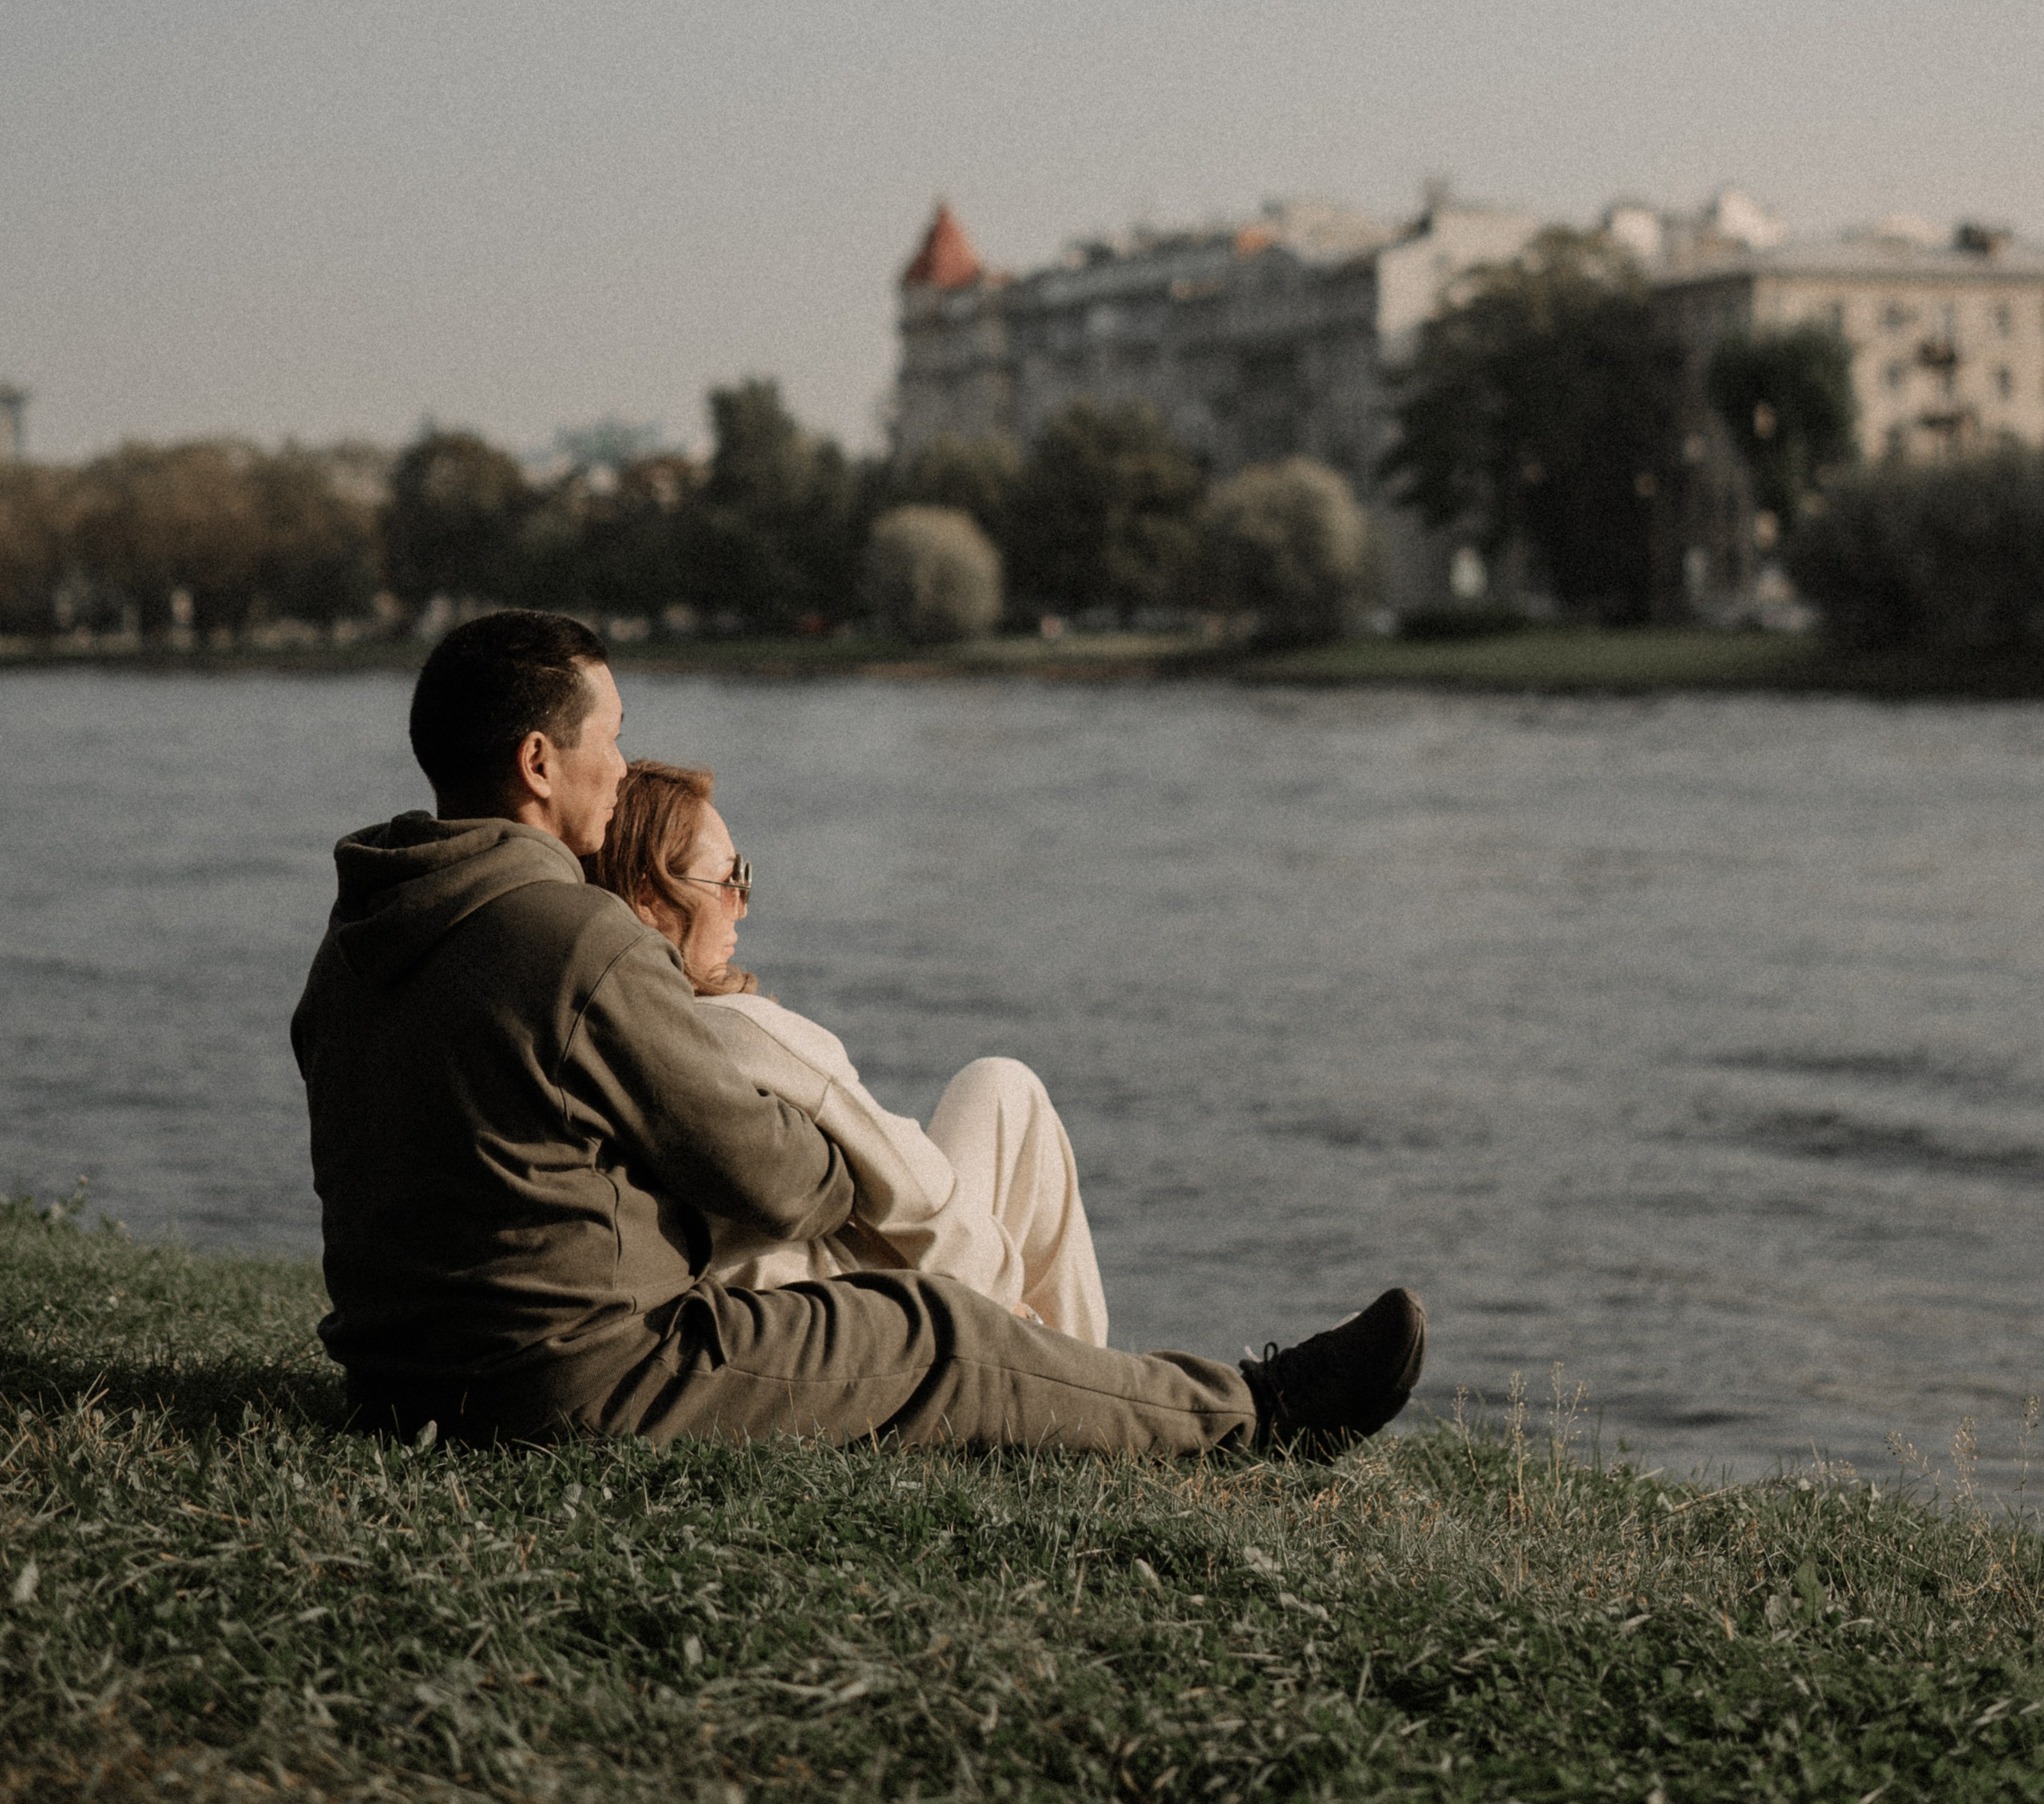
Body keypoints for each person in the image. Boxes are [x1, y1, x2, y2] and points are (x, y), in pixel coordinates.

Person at [291, 608, 1425, 1455]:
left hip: (398, 1382)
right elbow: (769, 1175)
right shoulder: (572, 937)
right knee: (934, 1334)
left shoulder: (355, 942)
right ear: (539, 762)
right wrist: (842, 1161)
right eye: (612, 738)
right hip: (573, 1383)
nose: (623, 767)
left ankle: (1134, 1407)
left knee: (913, 1294)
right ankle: (1262, 1414)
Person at [588, 758, 1109, 1342]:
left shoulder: (597, 1023)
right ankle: (1085, 1369)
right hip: (840, 1308)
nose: (743, 904)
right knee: (1005, 1089)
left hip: (740, 1300)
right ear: (650, 899)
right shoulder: (733, 1029)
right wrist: (1008, 1307)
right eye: (729, 880)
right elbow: (908, 1187)